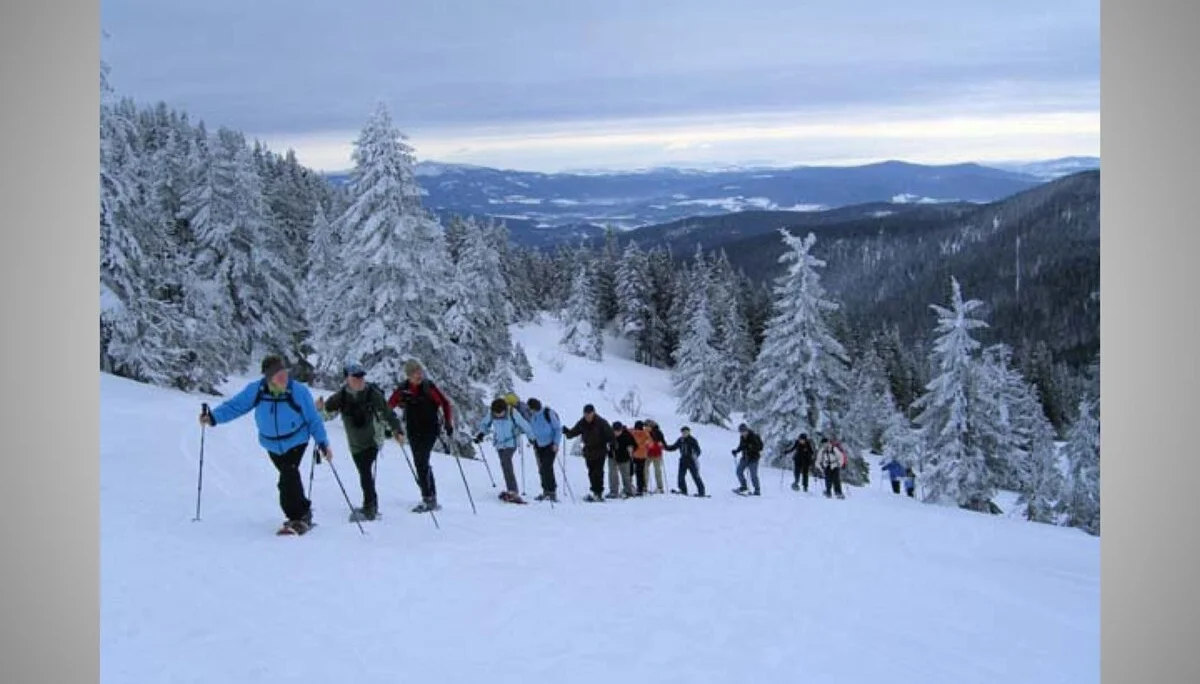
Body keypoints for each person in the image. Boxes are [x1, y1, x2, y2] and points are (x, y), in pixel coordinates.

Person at [199, 354, 332, 534]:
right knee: (289, 476)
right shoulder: (257, 390)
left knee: (288, 476)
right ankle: (304, 511)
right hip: (271, 444)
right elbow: (235, 406)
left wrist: (323, 443)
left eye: (285, 372)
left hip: (296, 440)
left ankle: (296, 519)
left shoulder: (298, 391)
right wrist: (213, 417)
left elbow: (313, 419)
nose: (284, 377)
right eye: (278, 375)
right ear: (268, 377)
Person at [315, 362, 406, 521]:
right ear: (347, 379)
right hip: (355, 444)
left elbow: (387, 413)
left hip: (373, 440)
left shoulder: (372, 394)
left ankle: (369, 508)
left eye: (361, 376)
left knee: (364, 472)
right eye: (355, 377)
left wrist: (397, 430)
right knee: (364, 473)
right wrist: (319, 409)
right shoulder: (341, 396)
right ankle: (372, 505)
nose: (359, 380)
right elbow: (326, 416)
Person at [387, 359, 455, 513]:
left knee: (421, 461)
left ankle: (428, 499)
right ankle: (431, 497)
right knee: (421, 462)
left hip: (430, 429)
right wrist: (393, 423)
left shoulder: (428, 387)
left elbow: (445, 403)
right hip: (412, 430)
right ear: (408, 375)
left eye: (419, 372)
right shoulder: (403, 389)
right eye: (414, 373)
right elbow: (389, 405)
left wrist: (448, 423)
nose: (418, 375)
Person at [475, 398, 534, 504]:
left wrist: (531, 438)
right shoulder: (492, 413)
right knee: (504, 464)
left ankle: (513, 491)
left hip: (511, 442)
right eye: (496, 414)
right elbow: (485, 424)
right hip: (499, 444)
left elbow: (524, 425)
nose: (498, 415)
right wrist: (481, 434)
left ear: (505, 409)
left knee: (506, 462)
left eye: (500, 413)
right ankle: (510, 490)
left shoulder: (512, 412)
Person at [562, 404, 615, 502]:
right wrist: (567, 432)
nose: (587, 417)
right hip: (588, 451)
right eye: (585, 415)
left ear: (593, 413)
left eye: (589, 415)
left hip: (600, 450)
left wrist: (612, 444)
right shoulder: (582, 423)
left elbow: (610, 434)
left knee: (598, 472)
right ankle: (594, 491)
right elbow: (574, 432)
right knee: (591, 472)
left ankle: (598, 493)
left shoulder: (601, 422)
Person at [525, 397, 563, 502]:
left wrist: (556, 443)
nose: (529, 410)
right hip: (539, 445)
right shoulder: (533, 417)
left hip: (550, 445)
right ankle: (545, 491)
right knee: (542, 468)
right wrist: (532, 440)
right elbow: (533, 429)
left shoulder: (547, 413)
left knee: (547, 467)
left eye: (530, 408)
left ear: (534, 407)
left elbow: (557, 428)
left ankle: (552, 492)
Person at [664, 425, 706, 497]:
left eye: (686, 432)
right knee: (681, 477)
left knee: (696, 476)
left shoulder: (692, 440)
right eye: (683, 432)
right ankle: (683, 490)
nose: (684, 433)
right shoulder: (680, 440)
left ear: (689, 432)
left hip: (691, 461)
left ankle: (701, 492)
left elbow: (698, 450)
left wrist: (695, 455)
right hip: (683, 460)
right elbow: (674, 447)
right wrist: (664, 447)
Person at [732, 423, 764, 495]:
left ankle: (757, 490)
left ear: (747, 430)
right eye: (741, 432)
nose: (742, 433)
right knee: (739, 472)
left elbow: (760, 447)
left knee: (753, 475)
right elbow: (741, 446)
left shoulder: (754, 436)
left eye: (743, 431)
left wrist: (751, 447)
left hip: (753, 459)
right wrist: (736, 451)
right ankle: (744, 486)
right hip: (745, 457)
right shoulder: (742, 437)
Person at [609, 422, 638, 498]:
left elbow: (635, 445)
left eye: (618, 431)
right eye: (615, 431)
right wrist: (607, 447)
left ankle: (628, 491)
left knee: (626, 475)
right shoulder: (609, 434)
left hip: (624, 458)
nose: (616, 433)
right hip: (612, 457)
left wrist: (631, 448)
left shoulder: (627, 435)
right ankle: (613, 492)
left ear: (621, 429)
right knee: (612, 474)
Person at [817, 435, 847, 499]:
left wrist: (840, 464)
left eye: (826, 443)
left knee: (836, 480)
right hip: (827, 466)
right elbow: (818, 461)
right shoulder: (821, 451)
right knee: (828, 480)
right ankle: (828, 492)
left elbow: (841, 456)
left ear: (828, 443)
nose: (824, 445)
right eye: (823, 444)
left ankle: (838, 492)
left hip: (835, 465)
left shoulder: (834, 448)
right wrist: (820, 468)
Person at [630, 421, 652, 495]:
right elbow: (650, 444)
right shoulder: (646, 434)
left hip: (633, 455)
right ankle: (641, 488)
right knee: (640, 473)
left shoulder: (633, 432)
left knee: (631, 471)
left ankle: (629, 486)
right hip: (643, 456)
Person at [644, 419, 667, 493]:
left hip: (657, 454)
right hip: (648, 454)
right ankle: (645, 486)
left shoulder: (658, 432)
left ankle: (660, 487)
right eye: (645, 426)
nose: (646, 427)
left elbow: (663, 442)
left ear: (651, 426)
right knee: (645, 469)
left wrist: (660, 445)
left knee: (657, 470)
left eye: (647, 426)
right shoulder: (645, 433)